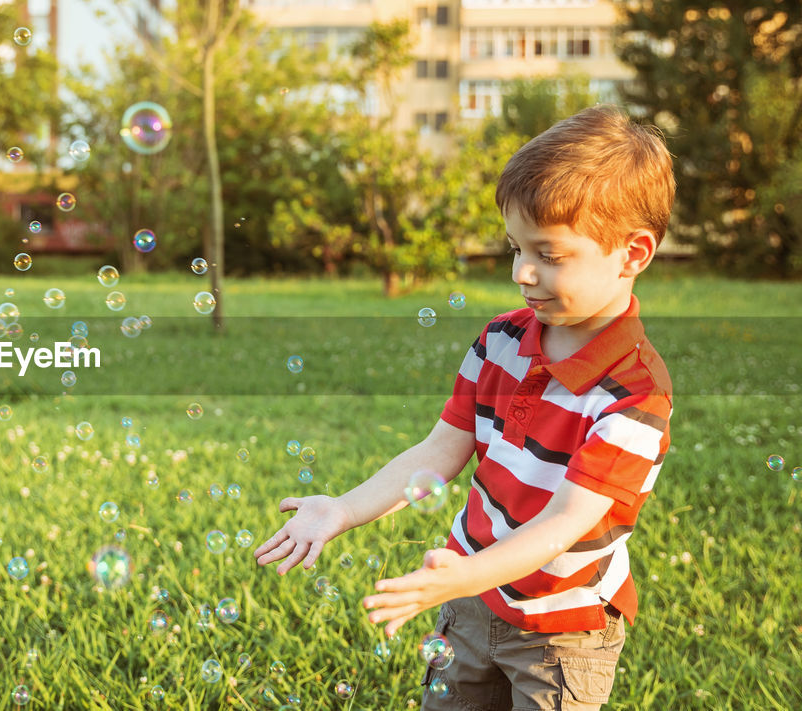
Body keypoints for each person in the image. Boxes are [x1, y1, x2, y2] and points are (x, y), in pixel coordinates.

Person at [253, 104, 675, 711]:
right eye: (514, 247)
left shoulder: (634, 396)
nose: (522, 273)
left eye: (550, 255)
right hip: (471, 599)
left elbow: (562, 525)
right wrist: (341, 509)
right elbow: (438, 452)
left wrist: (461, 577)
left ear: (633, 253)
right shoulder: (501, 340)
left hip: (561, 631)